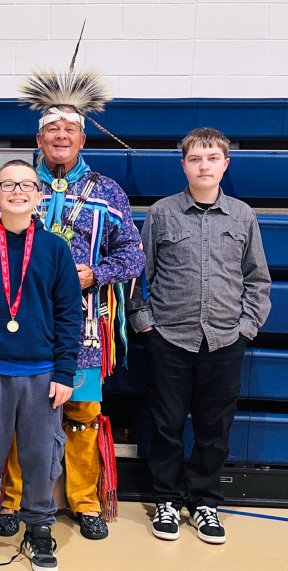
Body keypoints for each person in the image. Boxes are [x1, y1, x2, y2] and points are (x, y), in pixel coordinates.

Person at [0, 69, 145, 541]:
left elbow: (134, 253)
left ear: (82, 138)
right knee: (25, 414)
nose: (61, 135)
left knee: (81, 415)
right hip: (24, 321)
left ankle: (85, 501)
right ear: (38, 138)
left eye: (70, 129)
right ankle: (11, 501)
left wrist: (94, 273)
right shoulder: (17, 185)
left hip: (84, 325)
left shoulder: (107, 192)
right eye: (52, 129)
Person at [128, 127, 271, 545]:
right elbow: (139, 276)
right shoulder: (161, 214)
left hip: (225, 340)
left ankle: (205, 500)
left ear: (225, 164)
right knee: (166, 424)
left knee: (214, 426)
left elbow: (257, 279)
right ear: (183, 165)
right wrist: (145, 325)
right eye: (195, 158)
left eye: (212, 158)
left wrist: (246, 328)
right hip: (169, 338)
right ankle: (167, 500)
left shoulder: (244, 215)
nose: (204, 165)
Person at [0, 159, 82, 570]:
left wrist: (64, 371)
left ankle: (40, 528)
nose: (18, 191)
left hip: (42, 372)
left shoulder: (55, 248)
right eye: (8, 185)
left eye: (27, 184)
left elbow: (69, 315)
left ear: (39, 196)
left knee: (41, 458)